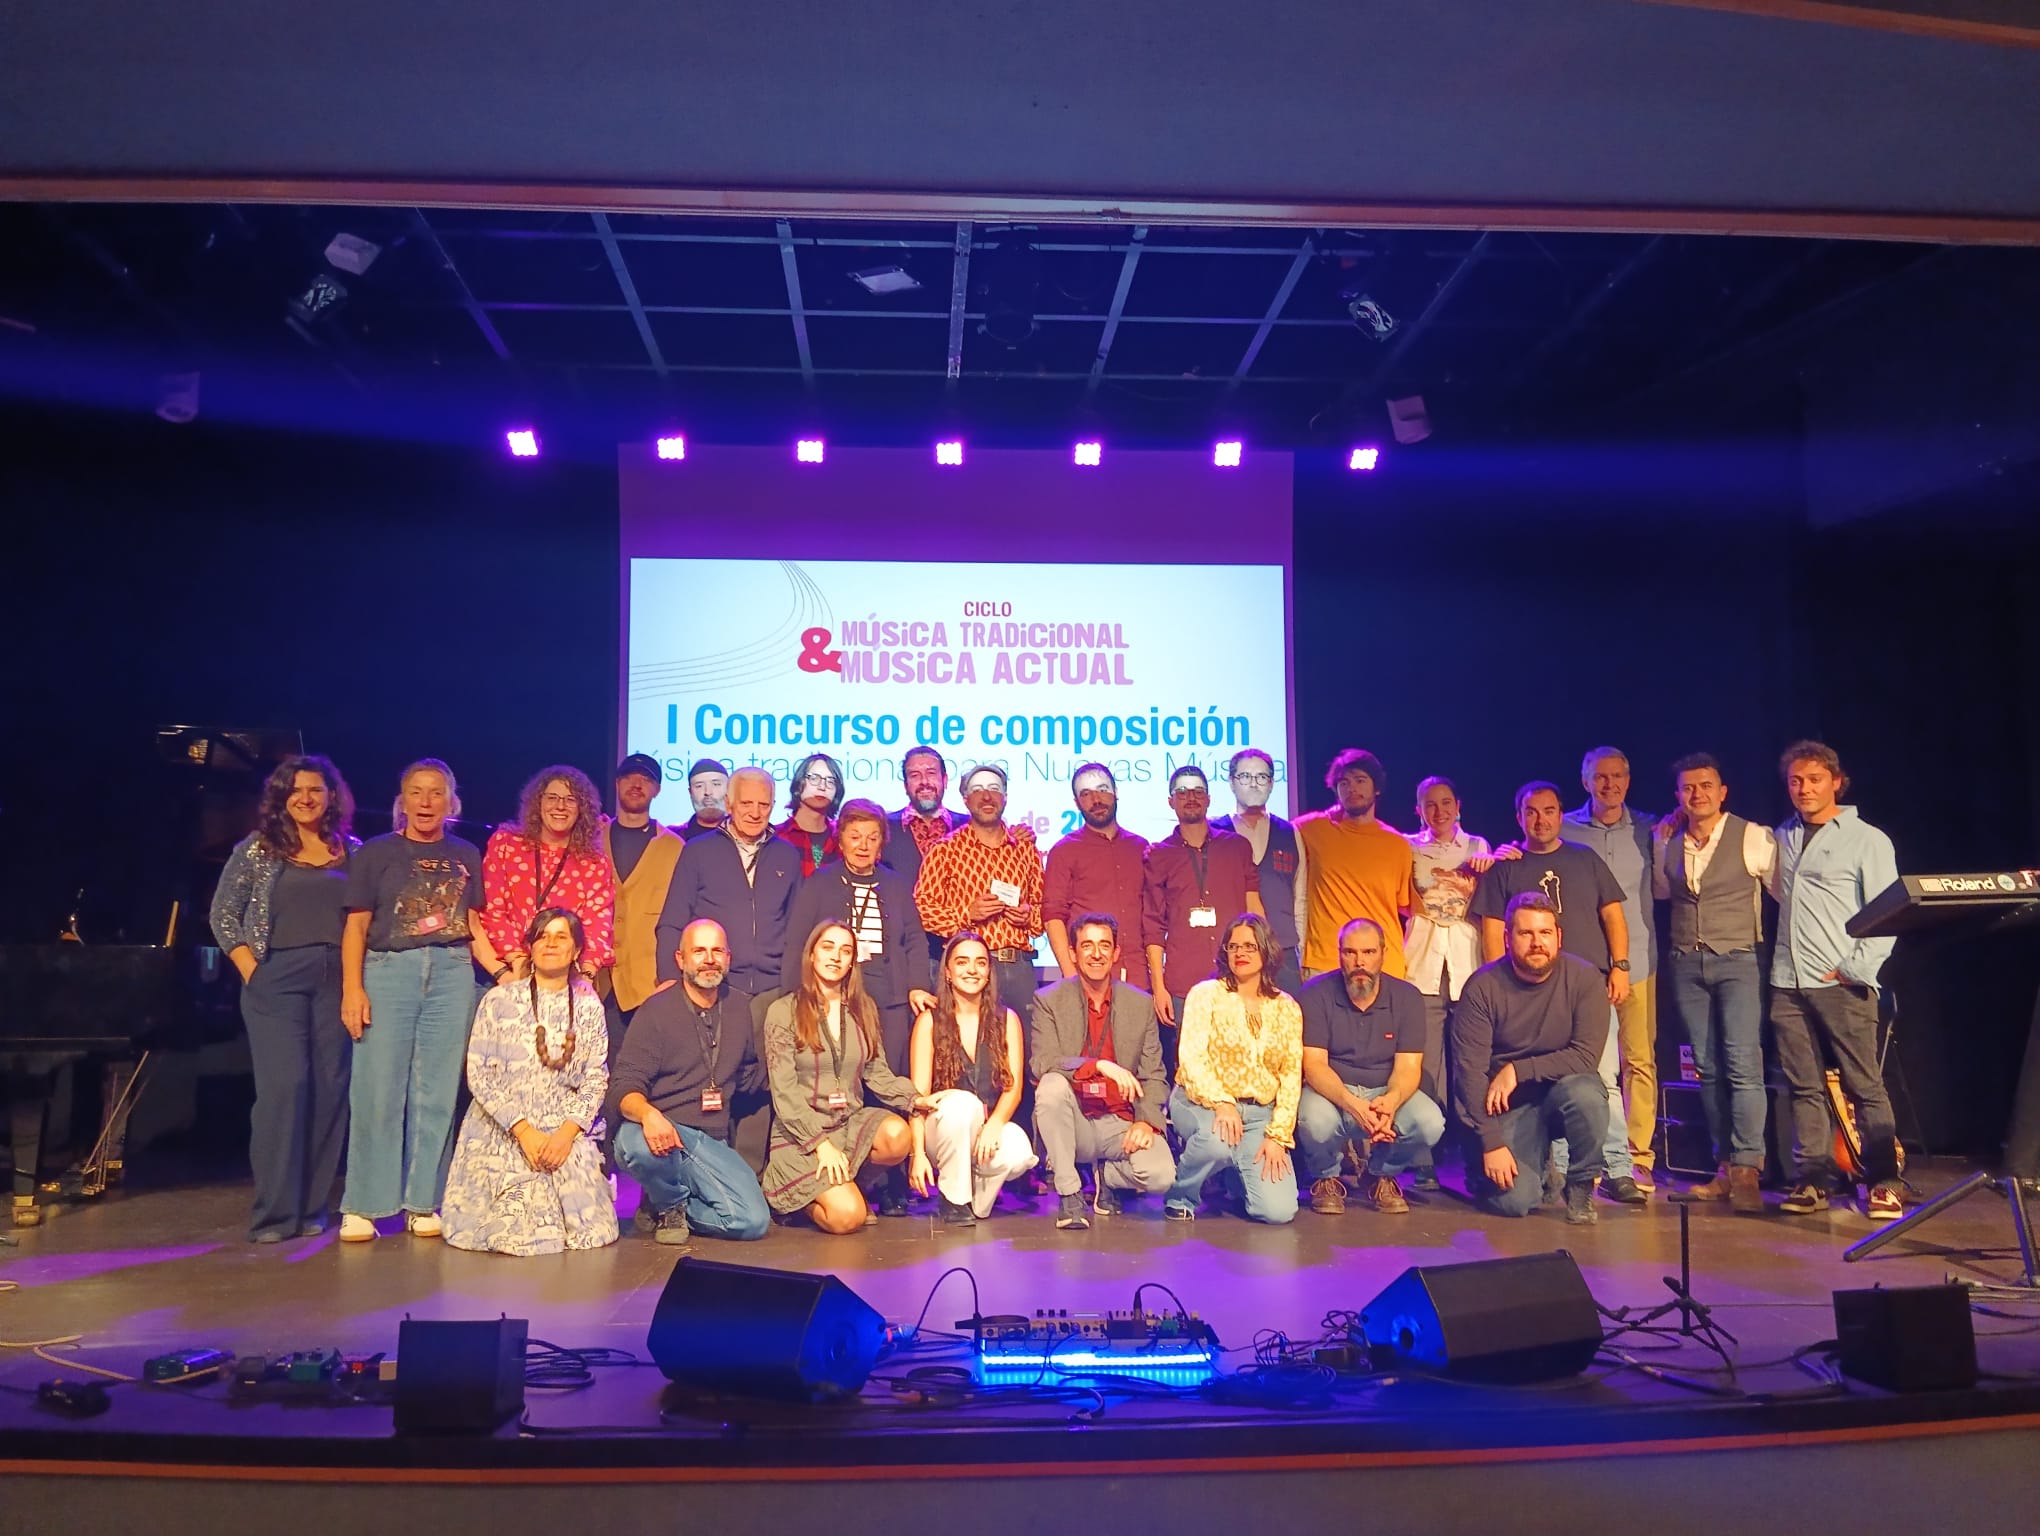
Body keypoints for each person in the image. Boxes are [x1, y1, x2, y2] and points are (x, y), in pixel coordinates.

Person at [338, 759, 505, 1242]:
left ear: (451, 801)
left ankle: (423, 1201)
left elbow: (472, 927)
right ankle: (366, 1205)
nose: (426, 802)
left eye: (436, 793)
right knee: (377, 1090)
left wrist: (501, 972)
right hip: (390, 972)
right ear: (403, 800)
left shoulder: (466, 853)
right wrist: (353, 989)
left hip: (452, 974)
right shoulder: (375, 853)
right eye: (417, 792)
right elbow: (356, 927)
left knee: (435, 1095)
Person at [209, 754, 359, 1243]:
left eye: (315, 789)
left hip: (337, 981)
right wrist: (253, 970)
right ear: (281, 798)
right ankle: (275, 1215)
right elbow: (224, 914)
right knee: (285, 1091)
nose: (306, 797)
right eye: (296, 790)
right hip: (278, 977)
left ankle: (312, 1207)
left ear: (331, 796)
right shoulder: (258, 849)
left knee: (330, 1091)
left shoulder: (350, 851)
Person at [1471, 781, 1639, 1204]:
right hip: (1526, 990)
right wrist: (1502, 979)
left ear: (1561, 814)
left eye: (1549, 810)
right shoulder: (1506, 866)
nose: (1540, 819)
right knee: (1544, 1086)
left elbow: (1613, 917)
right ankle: (1558, 1172)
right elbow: (1493, 931)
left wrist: (1618, 967)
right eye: (1531, 811)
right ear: (1519, 817)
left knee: (1598, 1081)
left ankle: (1615, 1167)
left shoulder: (1585, 858)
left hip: (1584, 991)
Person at [1767, 740, 1903, 1220]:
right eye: (1796, 781)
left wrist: (1855, 968)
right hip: (1788, 981)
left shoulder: (1867, 839)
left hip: (1842, 982)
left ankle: (1884, 1180)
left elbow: (1888, 913)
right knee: (1803, 1086)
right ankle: (1812, 1180)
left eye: (1814, 780)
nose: (1804, 789)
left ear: (1836, 782)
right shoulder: (1781, 836)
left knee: (1864, 1084)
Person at [783, 798, 936, 1214]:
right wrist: (794, 996)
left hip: (888, 997)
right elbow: (799, 940)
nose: (863, 845)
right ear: (841, 839)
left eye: (872, 838)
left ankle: (888, 1183)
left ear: (882, 843)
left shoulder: (896, 883)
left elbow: (915, 941)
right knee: (844, 1080)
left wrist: (918, 985)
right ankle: (838, 1172)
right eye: (855, 837)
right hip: (835, 994)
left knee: (887, 1083)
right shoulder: (820, 883)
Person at [441, 909, 617, 1255]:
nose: (550, 943)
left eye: (561, 936)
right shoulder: (498, 1000)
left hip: (562, 1128)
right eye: (542, 936)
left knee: (594, 1231)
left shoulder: (588, 1004)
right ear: (531, 947)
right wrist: (523, 1130)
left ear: (577, 950)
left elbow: (596, 1076)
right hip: (504, 1127)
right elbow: (478, 1074)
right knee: (523, 1228)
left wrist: (567, 1135)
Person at [1654, 753, 1776, 1214]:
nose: (1697, 794)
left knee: (1743, 1064)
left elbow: (1783, 892)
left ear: (1722, 792)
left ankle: (1747, 1169)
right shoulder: (1666, 839)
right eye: (1688, 788)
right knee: (1706, 1067)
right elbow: (1664, 892)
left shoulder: (1752, 837)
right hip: (1687, 961)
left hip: (1739, 959)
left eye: (1706, 786)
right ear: (1679, 796)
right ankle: (1723, 1167)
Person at [1450, 893, 1611, 1224]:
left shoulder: (1585, 979)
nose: (1537, 943)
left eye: (1545, 933)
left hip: (1560, 1091)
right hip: (1507, 1107)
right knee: (1514, 1202)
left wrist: (1519, 1069)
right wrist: (1491, 1143)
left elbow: (1585, 1057)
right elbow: (1470, 1074)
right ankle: (1532, 1171)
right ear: (1507, 939)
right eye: (1526, 934)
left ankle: (1580, 1185)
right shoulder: (1482, 988)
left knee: (1588, 1094)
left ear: (1558, 937)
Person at [761, 921, 932, 1232]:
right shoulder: (783, 1011)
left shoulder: (863, 1009)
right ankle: (799, 1204)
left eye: (845, 951)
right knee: (848, 1218)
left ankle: (846, 1183)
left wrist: (914, 1098)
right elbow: (784, 1093)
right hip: (801, 1136)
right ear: (811, 955)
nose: (836, 957)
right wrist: (821, 1144)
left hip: (847, 1125)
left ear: (853, 961)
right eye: (827, 948)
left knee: (898, 1136)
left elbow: (876, 1071)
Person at [610, 918, 771, 1247]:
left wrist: (794, 1063)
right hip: (662, 1132)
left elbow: (748, 1077)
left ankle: (669, 1205)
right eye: (699, 951)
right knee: (634, 1144)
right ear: (681, 960)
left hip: (709, 1142)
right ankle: (669, 1202)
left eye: (717, 951)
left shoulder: (740, 1007)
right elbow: (623, 1085)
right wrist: (648, 1115)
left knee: (751, 1222)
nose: (709, 959)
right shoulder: (656, 1011)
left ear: (728, 958)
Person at [1030, 913, 1175, 1229]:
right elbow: (1043, 1062)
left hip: (1119, 1122)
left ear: (1116, 953)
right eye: (1087, 946)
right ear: (1072, 953)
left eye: (1104, 945)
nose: (1096, 954)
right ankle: (1070, 1194)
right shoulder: (1049, 1000)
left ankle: (1105, 1175)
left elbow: (1154, 1074)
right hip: (1075, 1120)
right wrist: (1097, 1065)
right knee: (1051, 1086)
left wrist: (1146, 1121)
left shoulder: (1140, 1004)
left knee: (1162, 1175)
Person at [1401, 775, 1510, 1190]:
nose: (1439, 811)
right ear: (1418, 809)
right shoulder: (1408, 847)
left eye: (1446, 803)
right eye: (1430, 804)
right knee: (1426, 1066)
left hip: (1468, 966)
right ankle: (1423, 1155)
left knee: (1470, 1064)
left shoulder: (1478, 846)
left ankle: (1472, 1151)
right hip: (1422, 965)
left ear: (1458, 805)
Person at [1563, 747, 1662, 1196]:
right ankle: (1593, 1156)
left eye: (1618, 776)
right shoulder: (1563, 826)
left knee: (1637, 1061)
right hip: (1583, 968)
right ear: (1585, 781)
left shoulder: (1651, 828)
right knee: (1589, 1067)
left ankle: (1637, 1159)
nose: (1610, 784)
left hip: (1638, 962)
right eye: (1600, 777)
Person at [1296, 918, 1445, 1216]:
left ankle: (1379, 1174)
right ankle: (1327, 1178)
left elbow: (1409, 1066)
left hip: (1384, 1090)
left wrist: (1390, 1103)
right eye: (1350, 952)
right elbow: (1313, 1066)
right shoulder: (1315, 994)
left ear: (1383, 953)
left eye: (1368, 952)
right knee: (1312, 1121)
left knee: (1430, 1122)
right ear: (1339, 954)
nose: (1359, 961)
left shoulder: (1407, 997)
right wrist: (1354, 1105)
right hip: (1333, 1093)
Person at [1164, 914, 1304, 1225]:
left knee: (1278, 1213)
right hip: (1199, 1101)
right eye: (1233, 946)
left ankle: (1235, 1178)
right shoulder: (1206, 994)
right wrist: (1222, 1102)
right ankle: (1180, 1194)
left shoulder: (1287, 1007)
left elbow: (1291, 1076)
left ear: (1266, 951)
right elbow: (1192, 1059)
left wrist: (1278, 1135)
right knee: (1219, 1142)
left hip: (1259, 1114)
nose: (1240, 953)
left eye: (1250, 947)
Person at [1141, 765, 1263, 1078]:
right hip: (1184, 982)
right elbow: (1153, 926)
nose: (1190, 797)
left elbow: (1254, 908)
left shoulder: (1237, 848)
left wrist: (1263, 967)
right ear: (1171, 802)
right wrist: (1159, 987)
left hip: (1238, 975)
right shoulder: (1159, 855)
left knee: (1242, 1060)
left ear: (1208, 799)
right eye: (1182, 792)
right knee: (1190, 1069)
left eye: (1197, 791)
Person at [909, 933, 1038, 1225]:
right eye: (962, 962)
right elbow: (916, 1097)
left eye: (980, 963)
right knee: (964, 1105)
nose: (972, 970)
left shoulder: (1007, 1019)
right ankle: (954, 1199)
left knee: (1019, 1150)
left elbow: (1014, 1087)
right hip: (941, 1130)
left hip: (983, 1130)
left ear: (989, 972)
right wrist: (916, 1153)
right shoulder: (930, 1020)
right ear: (948, 972)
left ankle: (976, 1200)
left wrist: (995, 1124)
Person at [656, 766, 802, 997]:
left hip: (773, 992)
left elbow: (797, 931)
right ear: (728, 804)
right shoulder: (698, 851)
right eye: (746, 803)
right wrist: (668, 980)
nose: (755, 813)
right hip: (713, 985)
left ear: (772, 806)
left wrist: (792, 985)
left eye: (763, 805)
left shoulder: (788, 856)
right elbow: (672, 922)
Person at [912, 763, 1045, 1009]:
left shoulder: (1026, 849)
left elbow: (1042, 912)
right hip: (967, 970)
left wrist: (1028, 916)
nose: (986, 796)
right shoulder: (945, 849)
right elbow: (922, 907)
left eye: (994, 789)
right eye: (977, 789)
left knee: (1024, 1045)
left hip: (1018, 969)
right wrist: (966, 915)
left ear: (1004, 797)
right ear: (965, 799)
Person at [481, 765, 615, 981]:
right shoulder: (505, 845)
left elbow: (597, 923)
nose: (560, 806)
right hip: (509, 972)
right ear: (538, 803)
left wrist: (586, 973)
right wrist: (517, 962)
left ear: (582, 809)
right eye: (552, 797)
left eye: (571, 800)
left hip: (566, 977)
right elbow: (492, 911)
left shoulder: (593, 862)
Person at [1295, 749, 1416, 982]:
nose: (1352, 788)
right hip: (1326, 963)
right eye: (1344, 782)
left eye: (1360, 780)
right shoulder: (1311, 829)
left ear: (1377, 787)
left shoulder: (1397, 844)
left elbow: (1406, 907)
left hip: (1383, 966)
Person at [599, 753, 686, 1035]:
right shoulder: (591, 840)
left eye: (646, 779)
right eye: (629, 777)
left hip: (648, 987)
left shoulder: (675, 848)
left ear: (657, 789)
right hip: (595, 982)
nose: (637, 784)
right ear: (616, 783)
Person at [1211, 748, 1307, 996]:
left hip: (1282, 955)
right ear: (1231, 782)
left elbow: (1300, 898)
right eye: (1245, 776)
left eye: (1262, 777)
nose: (1254, 784)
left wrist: (1302, 953)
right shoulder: (1213, 832)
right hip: (1232, 954)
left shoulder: (1290, 832)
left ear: (1273, 783)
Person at [1043, 763, 1149, 983]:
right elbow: (1053, 916)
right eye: (1086, 794)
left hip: (1139, 976)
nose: (1096, 799)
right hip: (1087, 978)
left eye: (1102, 789)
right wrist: (1070, 974)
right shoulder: (1064, 850)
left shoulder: (1140, 847)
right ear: (1077, 802)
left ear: (1116, 792)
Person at [886, 747, 964, 954]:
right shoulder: (883, 829)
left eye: (931, 773)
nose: (924, 782)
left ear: (945, 780)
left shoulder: (970, 827)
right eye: (914, 775)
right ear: (905, 785)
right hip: (901, 951)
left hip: (959, 951)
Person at [777, 752, 844, 878]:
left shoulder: (841, 839)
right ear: (799, 782)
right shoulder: (777, 837)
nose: (822, 786)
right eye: (814, 778)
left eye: (830, 781)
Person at [679, 759, 730, 841]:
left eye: (716, 784)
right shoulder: (673, 839)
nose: (708, 792)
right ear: (690, 792)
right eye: (699, 786)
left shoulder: (746, 837)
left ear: (729, 789)